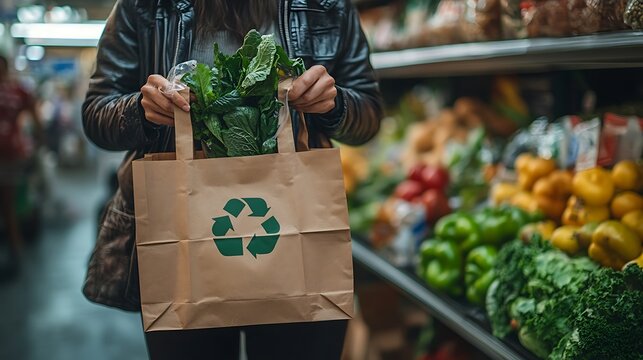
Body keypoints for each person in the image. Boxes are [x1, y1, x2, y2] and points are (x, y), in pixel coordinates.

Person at [82, 1, 382, 359]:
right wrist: (141, 111)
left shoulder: (328, 6)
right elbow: (96, 114)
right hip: (182, 228)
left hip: (299, 224)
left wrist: (335, 105)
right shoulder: (144, 6)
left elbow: (369, 114)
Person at [0, 54, 44, 266]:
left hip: (9, 156)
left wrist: (38, 141)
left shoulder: (16, 91)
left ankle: (15, 248)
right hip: (11, 153)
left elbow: (34, 114)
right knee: (8, 205)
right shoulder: (17, 91)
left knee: (8, 204)